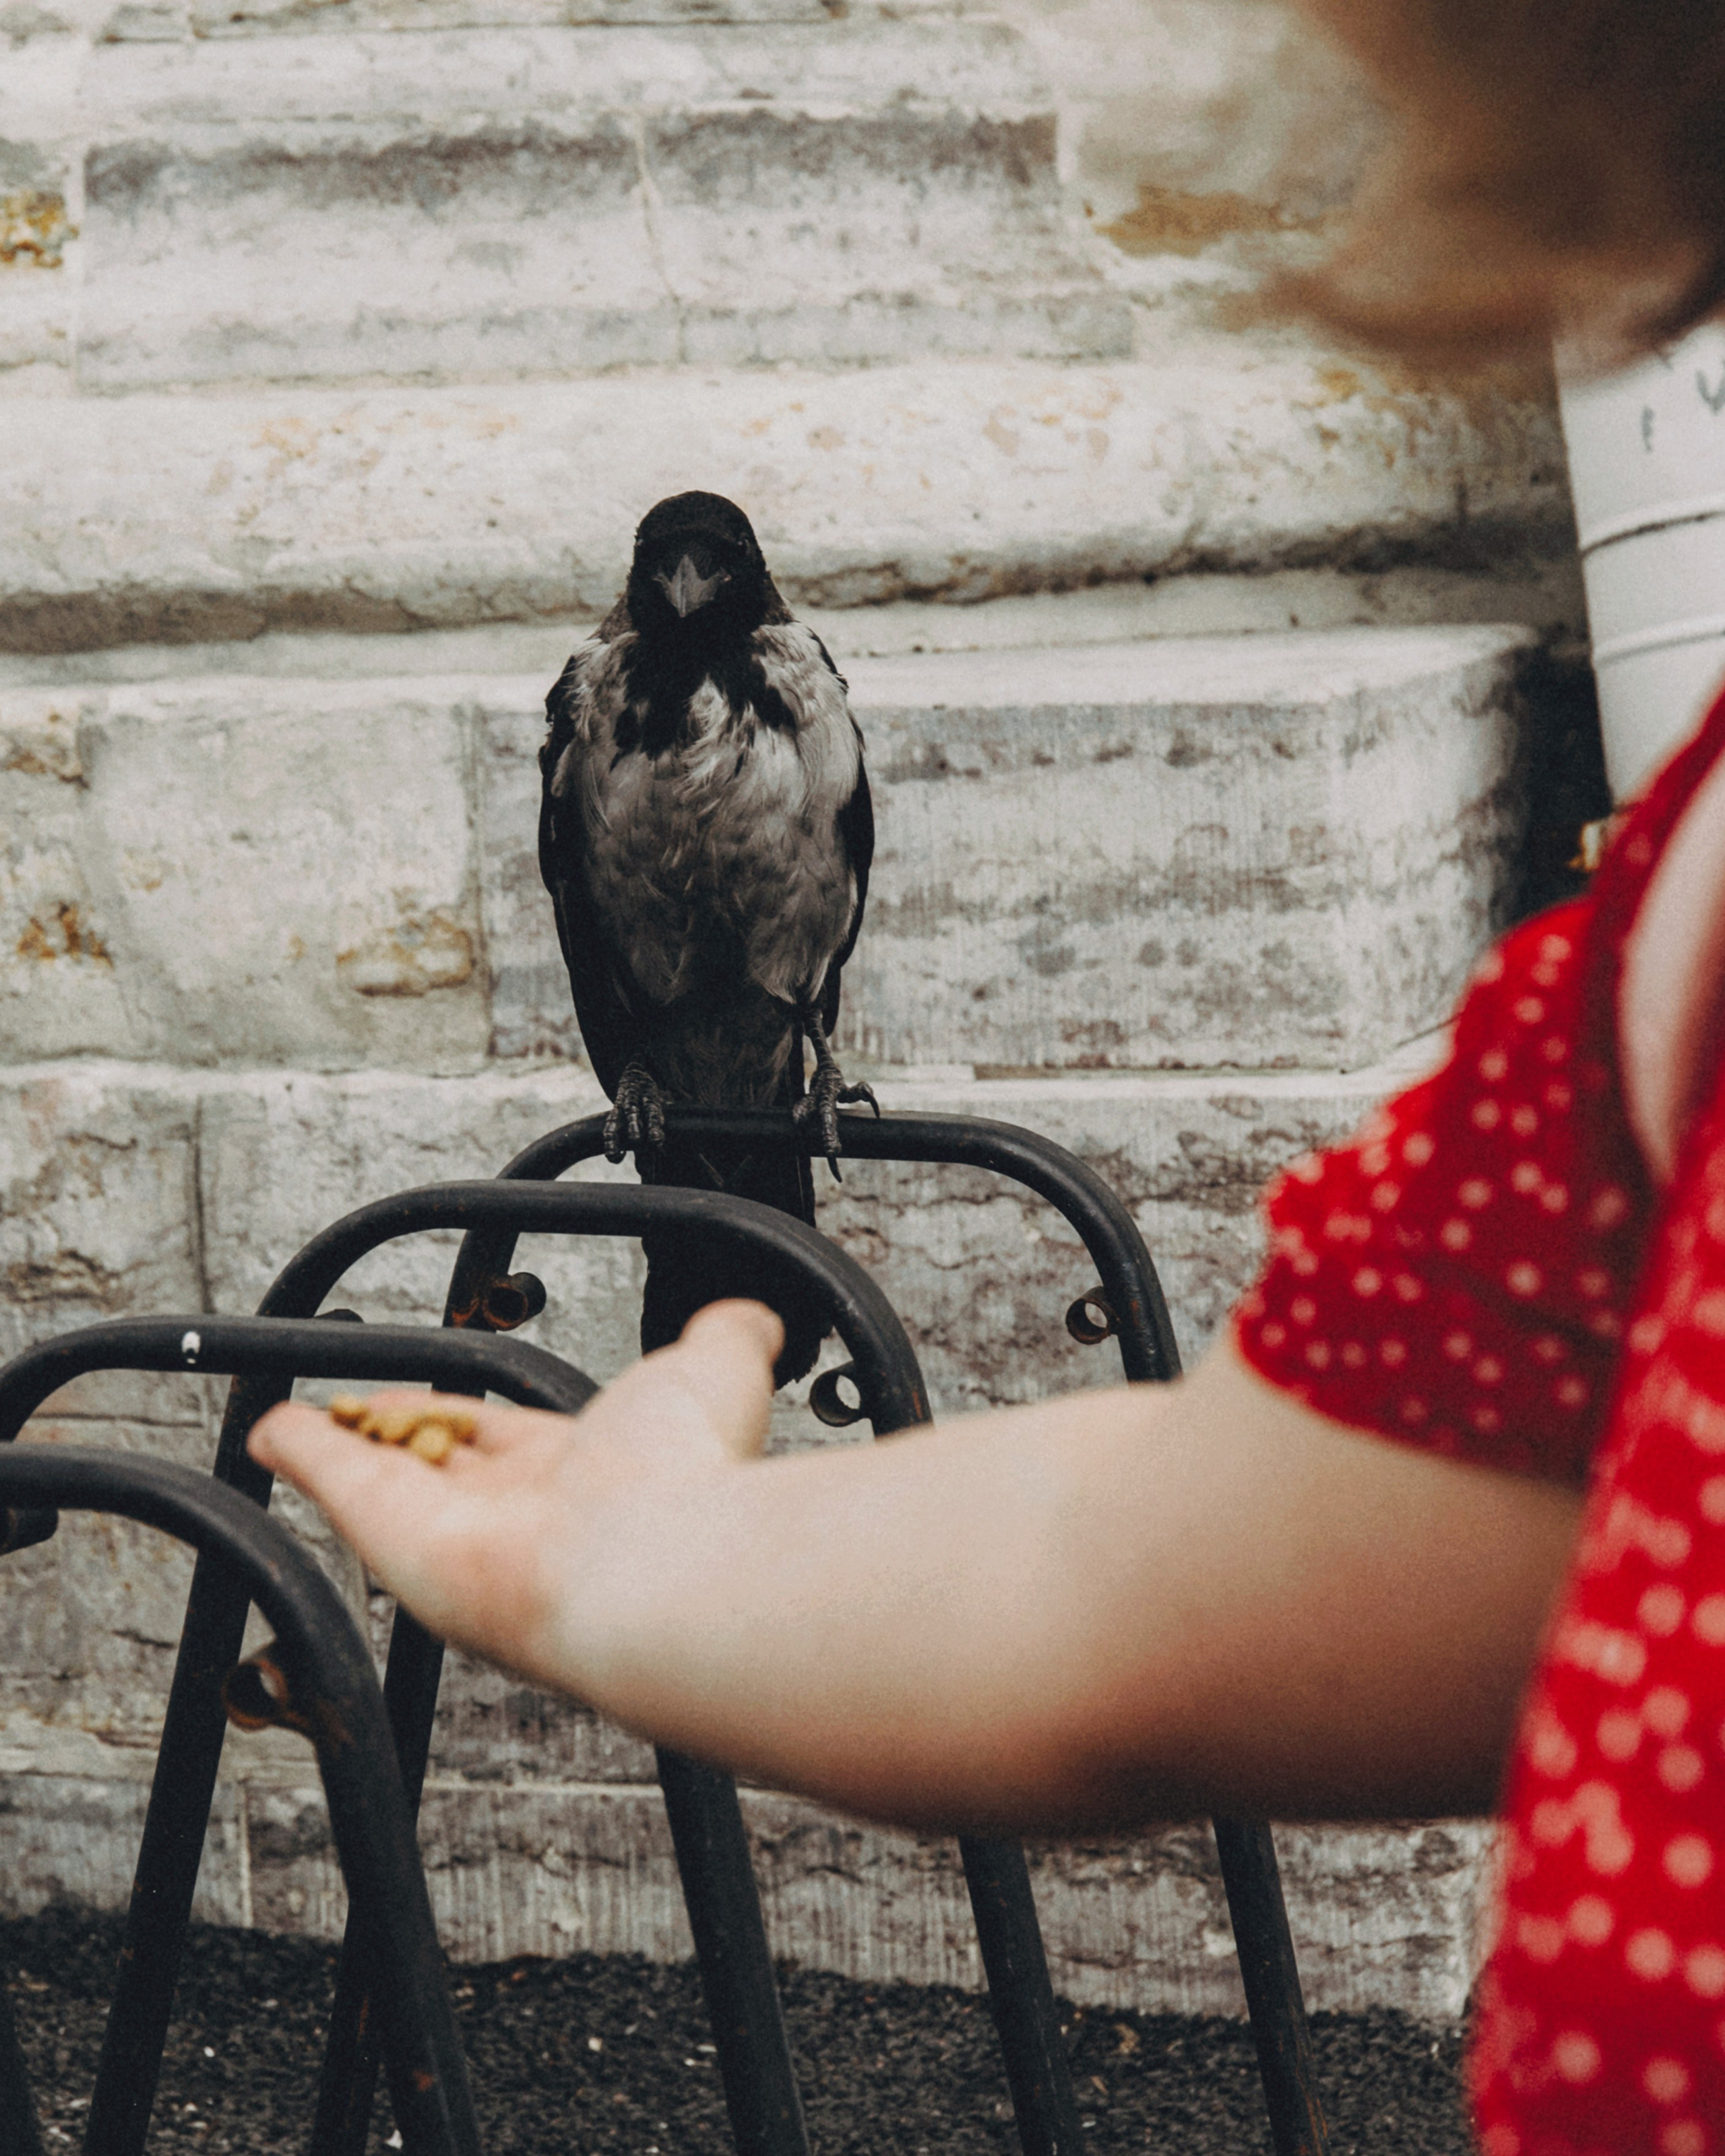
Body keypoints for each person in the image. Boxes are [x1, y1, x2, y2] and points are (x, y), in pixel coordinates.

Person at [251, 5, 1725, 2151]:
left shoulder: (808, 685)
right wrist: (638, 1568)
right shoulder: (1666, 968)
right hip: (683, 1075)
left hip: (780, 1030)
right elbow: (1149, 1581)